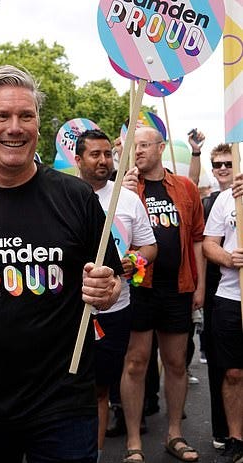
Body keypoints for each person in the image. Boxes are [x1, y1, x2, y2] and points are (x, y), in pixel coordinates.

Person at [0, 64, 122, 463]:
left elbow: (110, 282)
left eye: (25, 116)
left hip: (63, 403)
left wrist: (106, 289)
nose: (15, 127)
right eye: (2, 116)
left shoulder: (76, 198)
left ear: (38, 123)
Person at [120, 126, 205, 463]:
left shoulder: (184, 188)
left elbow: (197, 237)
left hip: (177, 289)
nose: (137, 151)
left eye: (143, 145)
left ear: (160, 148)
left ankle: (175, 434)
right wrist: (123, 196)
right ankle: (133, 442)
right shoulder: (124, 189)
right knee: (136, 363)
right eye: (134, 146)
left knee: (176, 363)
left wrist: (198, 285)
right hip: (140, 288)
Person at [74, 129, 157, 461]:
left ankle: (92, 455)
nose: (104, 160)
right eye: (95, 154)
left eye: (108, 153)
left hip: (115, 311)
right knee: (68, 389)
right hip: (70, 313)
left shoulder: (128, 199)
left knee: (100, 390)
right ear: (78, 159)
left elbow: (149, 246)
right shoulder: (63, 195)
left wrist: (133, 261)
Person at [202, 177, 243, 463]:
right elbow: (208, 245)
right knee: (233, 373)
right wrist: (230, 258)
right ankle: (235, 439)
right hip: (230, 297)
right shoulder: (226, 199)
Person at [198, 143, 234, 450]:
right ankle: (226, 431)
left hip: (227, 289)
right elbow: (202, 245)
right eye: (217, 164)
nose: (223, 169)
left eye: (228, 163)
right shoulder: (212, 201)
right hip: (217, 292)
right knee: (224, 367)